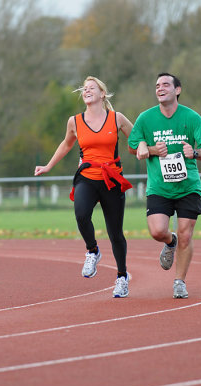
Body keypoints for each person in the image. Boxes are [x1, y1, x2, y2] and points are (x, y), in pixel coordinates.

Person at [35, 76, 133, 298]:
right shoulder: (74, 121)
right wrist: (49, 166)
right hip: (87, 176)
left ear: (102, 94)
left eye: (92, 88)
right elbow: (66, 144)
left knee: (115, 233)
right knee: (81, 214)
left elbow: (136, 138)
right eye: (84, 88)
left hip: (111, 178)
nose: (87, 91)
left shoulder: (116, 118)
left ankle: (122, 277)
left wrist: (147, 149)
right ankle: (93, 251)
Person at [128, 72, 201, 299]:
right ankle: (170, 241)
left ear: (177, 90)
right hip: (159, 187)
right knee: (157, 231)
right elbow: (132, 146)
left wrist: (194, 152)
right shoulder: (146, 118)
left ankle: (179, 282)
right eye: (157, 85)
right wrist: (152, 149)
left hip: (188, 186)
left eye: (166, 84)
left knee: (186, 235)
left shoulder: (192, 117)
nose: (160, 88)